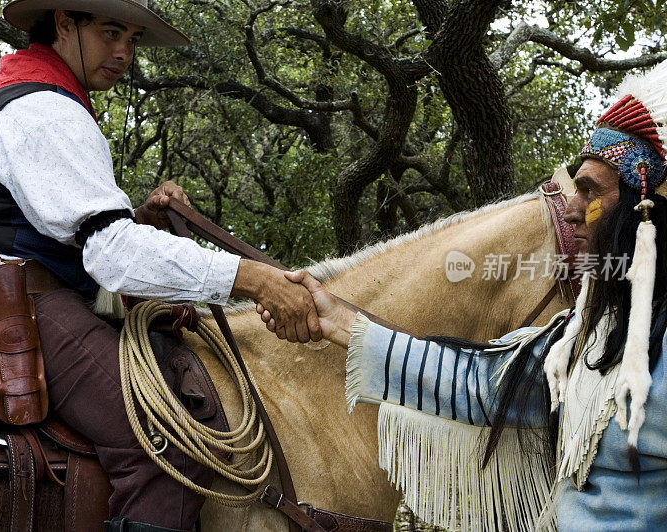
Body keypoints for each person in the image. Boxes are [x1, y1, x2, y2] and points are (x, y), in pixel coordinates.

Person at [0, 1, 320, 530]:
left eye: (132, 39)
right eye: (110, 33)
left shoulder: (21, 93)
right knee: (166, 446)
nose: (124, 52)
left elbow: (68, 234)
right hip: (18, 304)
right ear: (63, 23)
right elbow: (111, 255)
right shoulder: (45, 109)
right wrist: (256, 279)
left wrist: (136, 221)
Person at [262, 62, 667, 530]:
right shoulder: (591, 337)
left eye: (590, 192)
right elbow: (482, 385)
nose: (573, 209)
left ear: (646, 208)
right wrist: (343, 322)